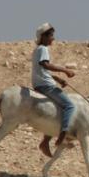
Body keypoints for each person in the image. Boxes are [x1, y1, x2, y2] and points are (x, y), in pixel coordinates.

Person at [32, 23, 76, 157]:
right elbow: (45, 64)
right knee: (69, 106)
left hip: (41, 83)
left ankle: (45, 142)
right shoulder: (43, 49)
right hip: (46, 85)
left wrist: (58, 79)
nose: (53, 38)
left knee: (57, 109)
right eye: (51, 35)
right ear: (44, 37)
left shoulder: (37, 49)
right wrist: (65, 70)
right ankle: (62, 137)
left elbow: (42, 70)